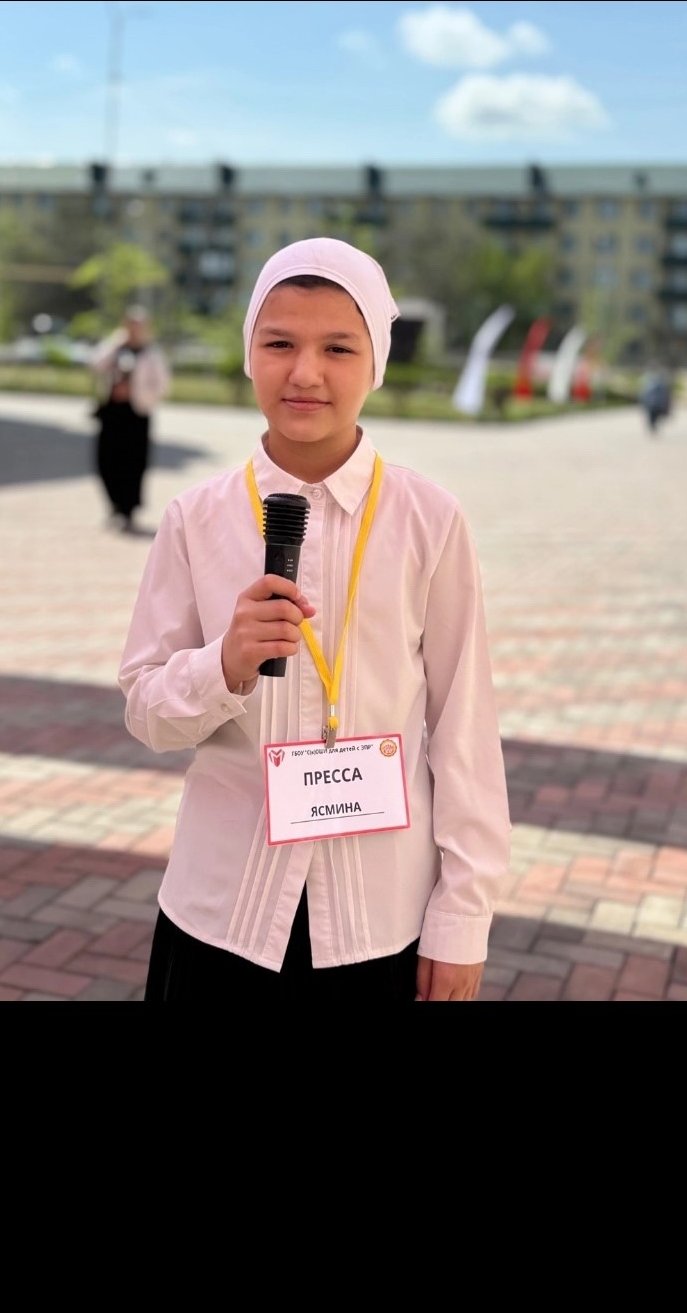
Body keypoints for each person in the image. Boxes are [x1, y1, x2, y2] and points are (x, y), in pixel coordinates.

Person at [118, 238, 512, 1002]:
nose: (305, 373)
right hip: (219, 915)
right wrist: (222, 665)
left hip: (379, 922)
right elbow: (146, 711)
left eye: (338, 347)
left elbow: (464, 727)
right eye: (279, 344)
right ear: (249, 354)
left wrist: (463, 917)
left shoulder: (429, 520)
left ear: (377, 363)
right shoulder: (196, 519)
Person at [90, 305, 170, 532]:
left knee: (133, 463)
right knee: (106, 460)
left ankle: (128, 510)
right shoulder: (117, 348)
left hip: (136, 415)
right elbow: (96, 363)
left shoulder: (151, 354)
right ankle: (114, 504)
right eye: (130, 326)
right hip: (112, 413)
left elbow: (162, 386)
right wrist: (117, 341)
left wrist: (135, 394)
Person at [638, 363, 672, 434]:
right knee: (652, 415)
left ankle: (653, 426)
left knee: (655, 415)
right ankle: (653, 426)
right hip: (653, 403)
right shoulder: (649, 381)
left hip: (656, 403)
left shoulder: (658, 382)